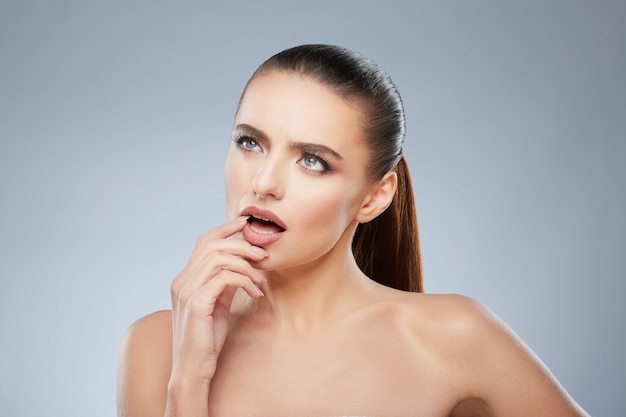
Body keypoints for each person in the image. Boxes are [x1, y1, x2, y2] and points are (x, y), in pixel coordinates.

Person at [117, 44, 589, 417]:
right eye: (250, 142)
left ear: (374, 197)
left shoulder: (454, 338)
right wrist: (188, 383)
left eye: (312, 161)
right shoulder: (156, 346)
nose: (263, 183)